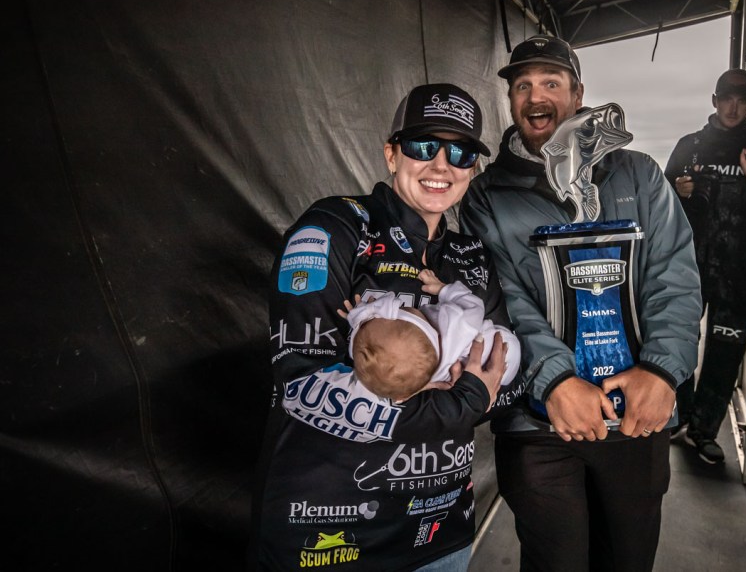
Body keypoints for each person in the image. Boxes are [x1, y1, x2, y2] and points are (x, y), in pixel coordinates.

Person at [249, 83, 522, 572]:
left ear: (472, 170)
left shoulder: (473, 256)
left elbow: (506, 378)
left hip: (442, 534)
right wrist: (460, 398)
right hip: (325, 535)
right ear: (391, 154)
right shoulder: (335, 226)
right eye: (423, 146)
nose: (441, 165)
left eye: (461, 153)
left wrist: (447, 394)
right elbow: (303, 384)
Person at [460, 34, 702, 571]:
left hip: (636, 412)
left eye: (551, 82)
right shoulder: (486, 194)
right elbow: (501, 299)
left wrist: (662, 372)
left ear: (577, 94)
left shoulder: (638, 173)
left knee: (627, 561)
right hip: (537, 423)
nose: (535, 96)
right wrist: (555, 381)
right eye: (522, 86)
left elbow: (674, 277)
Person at [662, 68, 746, 464]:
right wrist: (679, 192)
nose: (733, 108)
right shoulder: (690, 146)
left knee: (725, 355)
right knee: (679, 344)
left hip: (738, 274)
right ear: (715, 100)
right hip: (688, 269)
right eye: (727, 99)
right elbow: (660, 209)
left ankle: (704, 431)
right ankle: (679, 416)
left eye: (742, 100)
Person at [340, 270, 521, 401]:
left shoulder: (423, 374)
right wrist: (443, 289)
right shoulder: (456, 323)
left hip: (494, 381)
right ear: (414, 319)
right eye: (402, 310)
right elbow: (474, 304)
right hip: (504, 346)